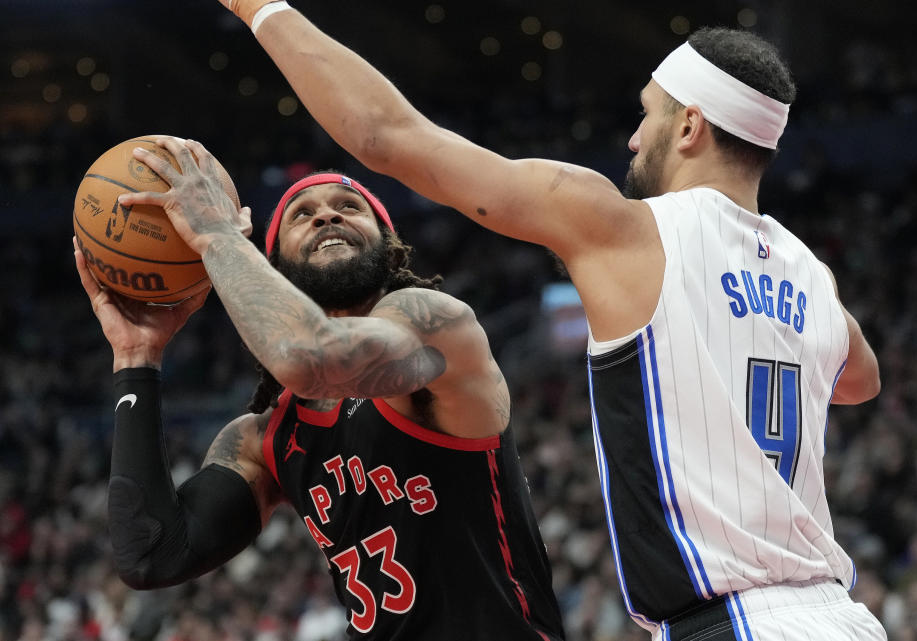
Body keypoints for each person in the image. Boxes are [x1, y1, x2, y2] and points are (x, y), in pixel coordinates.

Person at [213, 2, 887, 639]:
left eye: (646, 115)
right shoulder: (812, 276)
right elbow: (859, 379)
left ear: (689, 127)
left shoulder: (623, 227)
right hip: (842, 614)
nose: (632, 136)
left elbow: (386, 136)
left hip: (739, 621)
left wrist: (258, 10)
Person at [75, 161, 566, 641]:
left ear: (388, 244)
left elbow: (311, 357)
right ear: (276, 272)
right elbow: (152, 554)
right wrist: (137, 358)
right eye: (301, 213)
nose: (327, 215)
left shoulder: (437, 325)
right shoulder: (264, 438)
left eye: (349, 206)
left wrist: (218, 237)